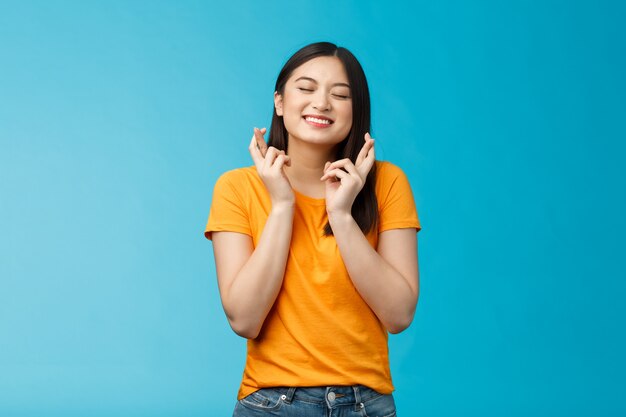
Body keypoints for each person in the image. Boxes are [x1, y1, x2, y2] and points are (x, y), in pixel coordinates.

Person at [205, 41, 421, 417]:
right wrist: (283, 204)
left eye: (340, 95)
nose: (322, 103)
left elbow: (399, 315)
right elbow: (244, 318)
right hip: (271, 403)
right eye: (306, 88)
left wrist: (341, 216)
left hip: (365, 404)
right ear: (279, 102)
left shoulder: (387, 182)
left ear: (357, 111)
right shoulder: (236, 187)